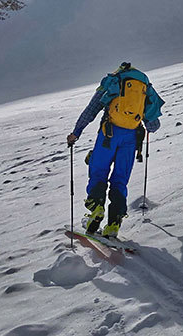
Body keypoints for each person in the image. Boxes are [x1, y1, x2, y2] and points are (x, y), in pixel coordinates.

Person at [67, 62, 164, 238]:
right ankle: (114, 223)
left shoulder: (112, 81)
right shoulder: (145, 86)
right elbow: (154, 125)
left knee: (98, 171)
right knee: (120, 179)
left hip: (109, 134)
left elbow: (91, 110)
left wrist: (76, 133)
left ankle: (96, 209)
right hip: (131, 139)